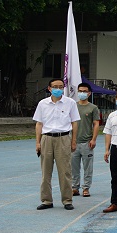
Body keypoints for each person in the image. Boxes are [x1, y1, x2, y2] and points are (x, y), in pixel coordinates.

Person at [33, 78, 80, 210]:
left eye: (60, 87)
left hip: (63, 138)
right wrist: (38, 142)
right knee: (46, 172)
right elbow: (39, 124)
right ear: (49, 88)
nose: (58, 89)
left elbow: (75, 122)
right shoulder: (43, 103)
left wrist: (73, 141)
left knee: (65, 171)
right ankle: (46, 200)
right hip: (47, 138)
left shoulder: (70, 103)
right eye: (55, 87)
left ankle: (67, 200)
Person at [72, 82, 100, 197]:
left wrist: (93, 139)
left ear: (89, 93)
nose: (82, 93)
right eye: (80, 91)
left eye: (84, 91)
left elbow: (96, 124)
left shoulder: (93, 108)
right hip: (73, 142)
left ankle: (86, 188)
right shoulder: (73, 106)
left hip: (86, 142)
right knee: (73, 167)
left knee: (88, 167)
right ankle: (74, 187)